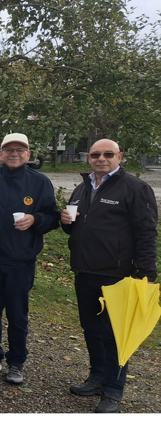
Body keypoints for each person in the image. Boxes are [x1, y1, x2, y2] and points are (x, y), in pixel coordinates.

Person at [62, 139, 158, 414]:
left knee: (115, 335)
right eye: (95, 154)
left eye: (107, 154)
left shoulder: (136, 189)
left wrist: (146, 273)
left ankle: (113, 391)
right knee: (91, 330)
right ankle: (96, 378)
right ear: (88, 158)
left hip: (119, 275)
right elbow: (76, 228)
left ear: (120, 157)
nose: (101, 158)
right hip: (85, 271)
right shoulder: (82, 188)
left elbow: (146, 232)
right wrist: (66, 223)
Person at [0, 133, 60, 384]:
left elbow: (52, 217)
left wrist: (35, 220)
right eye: (8, 150)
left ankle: (16, 363)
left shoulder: (40, 182)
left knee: (18, 316)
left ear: (28, 155)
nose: (14, 153)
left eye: (20, 150)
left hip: (21, 262)